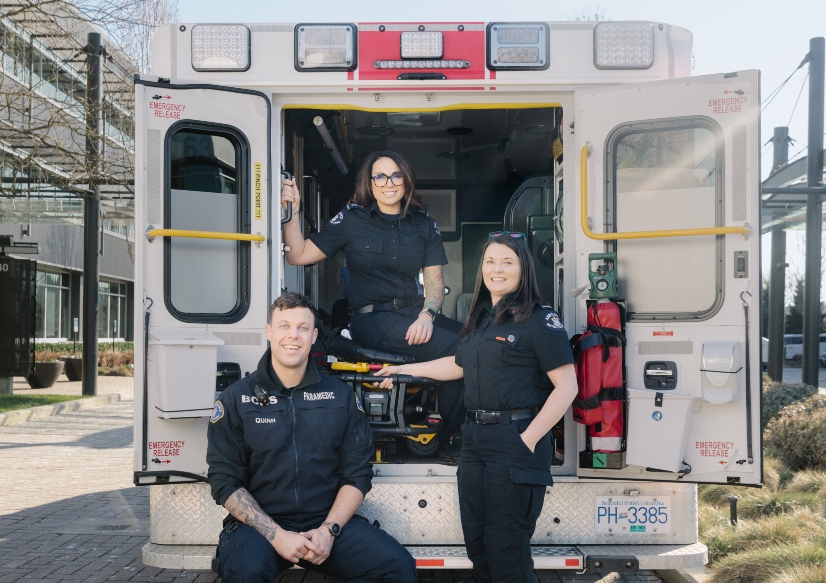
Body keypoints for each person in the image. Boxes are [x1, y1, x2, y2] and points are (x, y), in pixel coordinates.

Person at [376, 233, 577, 583]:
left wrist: (527, 439)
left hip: (515, 441)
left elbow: (567, 387)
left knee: (507, 553)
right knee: (479, 548)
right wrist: (403, 369)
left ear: (523, 270)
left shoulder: (539, 319)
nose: (496, 269)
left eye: (507, 262)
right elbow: (458, 365)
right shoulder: (481, 318)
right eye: (490, 261)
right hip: (475, 443)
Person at [206, 292, 416, 583]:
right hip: (260, 529)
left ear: (314, 335)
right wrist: (277, 536)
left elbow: (357, 474)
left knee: (397, 567)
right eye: (284, 326)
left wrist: (329, 531)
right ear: (269, 331)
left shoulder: (340, 395)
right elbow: (224, 482)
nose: (293, 336)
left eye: (302, 328)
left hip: (324, 524)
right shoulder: (236, 399)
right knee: (245, 573)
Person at [281, 150, 465, 460]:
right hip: (374, 321)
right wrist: (294, 211)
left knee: (478, 343)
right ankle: (449, 437)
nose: (388, 183)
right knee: (458, 352)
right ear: (369, 183)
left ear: (406, 180)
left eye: (395, 175)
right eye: (379, 176)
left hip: (414, 314)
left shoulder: (424, 224)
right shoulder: (352, 220)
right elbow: (298, 255)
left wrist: (427, 315)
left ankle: (414, 380)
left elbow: (434, 285)